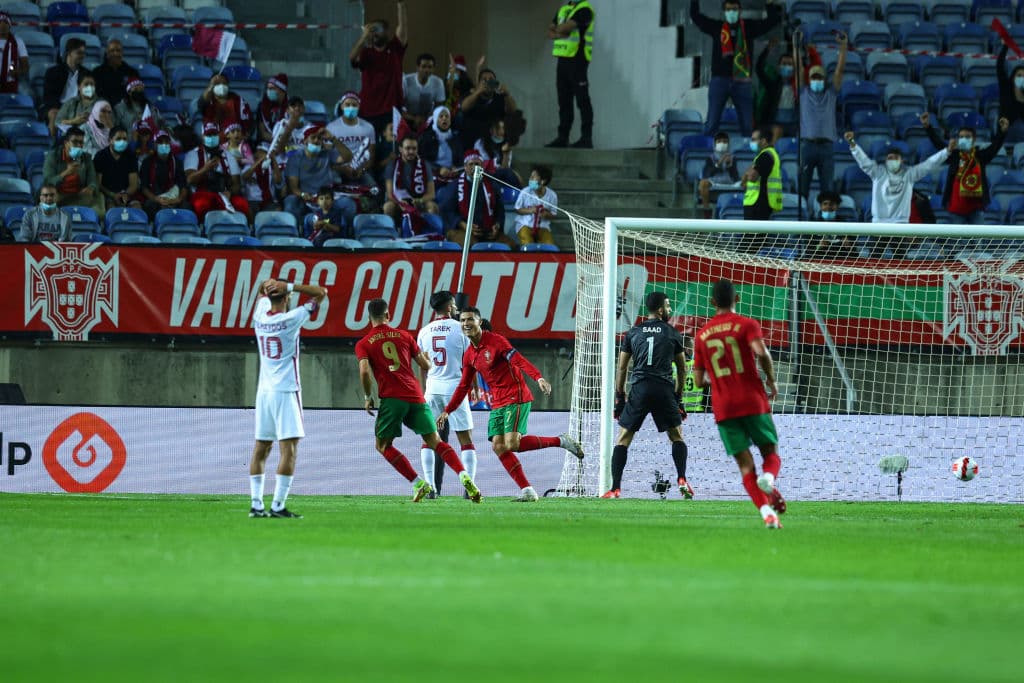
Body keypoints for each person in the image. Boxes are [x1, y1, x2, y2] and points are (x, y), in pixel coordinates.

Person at [437, 306, 584, 502]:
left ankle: (561, 441)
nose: (466, 324)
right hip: (498, 402)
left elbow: (519, 360)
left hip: (516, 395)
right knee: (499, 446)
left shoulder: (496, 342)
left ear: (479, 322)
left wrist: (538, 377)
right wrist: (448, 411)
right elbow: (463, 385)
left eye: (470, 319)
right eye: (462, 320)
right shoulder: (470, 354)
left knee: (512, 444)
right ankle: (527, 490)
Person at [357, 298, 483, 502]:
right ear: (388, 315)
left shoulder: (364, 343)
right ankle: (464, 475)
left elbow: (364, 371)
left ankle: (420, 483)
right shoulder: (405, 336)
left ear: (369, 318)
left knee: (383, 445)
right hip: (417, 396)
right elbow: (425, 364)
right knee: (436, 440)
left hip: (395, 398)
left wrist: (367, 397)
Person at [692, 279, 787, 529]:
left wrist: (720, 375)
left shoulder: (701, 335)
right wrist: (771, 380)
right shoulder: (747, 325)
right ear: (738, 299)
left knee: (745, 466)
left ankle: (767, 513)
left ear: (712, 303)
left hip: (724, 408)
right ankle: (768, 478)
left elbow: (699, 381)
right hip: (753, 400)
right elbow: (762, 352)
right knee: (770, 452)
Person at [249, 278, 327, 518]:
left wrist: (269, 286)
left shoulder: (260, 315)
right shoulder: (291, 319)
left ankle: (256, 505)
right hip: (286, 389)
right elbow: (321, 293)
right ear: (285, 298)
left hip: (264, 391)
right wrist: (290, 286)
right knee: (289, 449)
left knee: (262, 446)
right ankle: (278, 506)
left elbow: (262, 287)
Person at [604, 292, 695, 499]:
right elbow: (682, 369)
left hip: (641, 387)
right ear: (661, 309)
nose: (670, 310)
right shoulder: (672, 333)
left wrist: (620, 396)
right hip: (663, 388)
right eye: (669, 306)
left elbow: (622, 368)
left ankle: (615, 488)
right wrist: (678, 397)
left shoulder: (633, 332)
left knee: (624, 438)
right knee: (676, 435)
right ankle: (682, 478)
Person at [416, 291, 478, 498]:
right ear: (450, 307)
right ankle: (469, 489)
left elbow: (422, 363)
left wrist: (425, 387)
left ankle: (430, 487)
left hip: (432, 388)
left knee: (429, 438)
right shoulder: (461, 328)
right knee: (466, 439)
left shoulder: (424, 331)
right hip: (455, 387)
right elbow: (470, 360)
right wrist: (475, 387)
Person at [689, 0, 782, 137]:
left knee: (747, 125)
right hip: (719, 81)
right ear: (724, 11)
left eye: (734, 9)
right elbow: (696, 17)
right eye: (728, 9)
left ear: (740, 11)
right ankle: (707, 154)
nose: (731, 12)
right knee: (712, 123)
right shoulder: (717, 27)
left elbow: (772, 21)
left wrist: (769, 4)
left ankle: (748, 156)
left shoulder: (749, 27)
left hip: (742, 83)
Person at [922, 113, 1009, 225]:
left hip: (976, 209)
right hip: (956, 209)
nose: (964, 139)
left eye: (967, 137)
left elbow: (994, 147)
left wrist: (1002, 132)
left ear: (973, 139)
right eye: (961, 137)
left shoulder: (980, 156)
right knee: (959, 242)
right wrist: (928, 127)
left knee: (978, 241)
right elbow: (938, 144)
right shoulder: (954, 156)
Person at [796, 33, 847, 197]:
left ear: (824, 79)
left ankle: (824, 220)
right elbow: (798, 68)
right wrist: (795, 46)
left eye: (819, 77)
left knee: (828, 190)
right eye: (813, 77)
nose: (816, 79)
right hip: (807, 146)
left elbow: (839, 71)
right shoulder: (803, 92)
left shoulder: (830, 94)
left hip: (826, 147)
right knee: (802, 189)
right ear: (809, 79)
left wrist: (843, 47)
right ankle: (802, 221)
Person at [349, 1, 408, 134]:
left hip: (391, 110)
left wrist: (401, 5)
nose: (375, 33)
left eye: (378, 29)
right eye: (372, 29)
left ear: (387, 32)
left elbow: (402, 28)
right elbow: (352, 58)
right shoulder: (366, 52)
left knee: (390, 148)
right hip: (368, 110)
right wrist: (364, 37)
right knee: (370, 149)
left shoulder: (395, 49)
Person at [283, 125, 355, 225]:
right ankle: (298, 235)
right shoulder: (296, 157)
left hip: (327, 199)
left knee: (348, 204)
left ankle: (343, 233)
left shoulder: (327, 153)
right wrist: (303, 195)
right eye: (313, 137)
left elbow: (348, 157)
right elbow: (293, 188)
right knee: (290, 202)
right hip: (306, 200)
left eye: (320, 138)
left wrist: (332, 139)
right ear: (305, 141)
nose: (317, 140)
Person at [547, 1, 595, 148]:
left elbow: (563, 27)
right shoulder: (563, 9)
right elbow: (549, 32)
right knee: (564, 101)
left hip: (578, 60)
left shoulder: (585, 9)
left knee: (582, 100)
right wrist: (560, 31)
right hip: (562, 60)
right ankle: (563, 137)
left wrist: (560, 30)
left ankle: (586, 138)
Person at [185, 121, 250, 221]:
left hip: (223, 193)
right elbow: (189, 180)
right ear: (203, 136)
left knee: (242, 204)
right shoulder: (193, 154)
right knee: (202, 204)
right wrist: (205, 169)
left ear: (219, 135)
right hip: (203, 192)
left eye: (214, 134)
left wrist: (230, 192)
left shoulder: (229, 156)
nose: (211, 137)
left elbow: (236, 184)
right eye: (208, 135)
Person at [447, 150, 507, 246]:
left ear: (482, 166)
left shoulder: (492, 184)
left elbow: (500, 211)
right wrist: (465, 226)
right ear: (465, 167)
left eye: (477, 164)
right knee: (471, 244)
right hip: (462, 230)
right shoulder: (455, 186)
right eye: (471, 164)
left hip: (488, 232)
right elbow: (448, 212)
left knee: (509, 245)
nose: (474, 167)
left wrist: (497, 225)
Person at [383, 135, 439, 228]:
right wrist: (400, 203)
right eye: (408, 148)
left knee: (432, 207)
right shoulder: (392, 165)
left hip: (418, 201)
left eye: (414, 148)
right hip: (398, 202)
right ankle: (391, 234)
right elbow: (389, 194)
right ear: (401, 149)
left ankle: (430, 235)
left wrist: (419, 200)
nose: (411, 152)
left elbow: (431, 194)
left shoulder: (425, 165)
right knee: (388, 207)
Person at [43, 127, 104, 213]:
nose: (79, 146)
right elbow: (48, 182)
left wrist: (91, 188)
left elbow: (92, 179)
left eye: (81, 143)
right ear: (66, 143)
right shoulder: (53, 157)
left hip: (79, 194)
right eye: (75, 142)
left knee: (99, 209)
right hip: (59, 194)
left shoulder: (86, 157)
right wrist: (66, 172)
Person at [327, 91, 378, 190]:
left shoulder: (368, 127)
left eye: (354, 105)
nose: (351, 107)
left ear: (359, 107)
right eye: (347, 104)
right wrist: (342, 169)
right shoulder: (331, 127)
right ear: (341, 106)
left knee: (373, 190)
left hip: (360, 169)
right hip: (338, 169)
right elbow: (327, 157)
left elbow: (371, 156)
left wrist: (361, 169)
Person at [460, 68, 519, 150]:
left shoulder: (500, 98)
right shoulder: (470, 95)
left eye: (491, 80)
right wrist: (477, 92)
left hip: (494, 145)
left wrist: (507, 95)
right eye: (484, 80)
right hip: (471, 143)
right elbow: (464, 108)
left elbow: (512, 111)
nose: (487, 82)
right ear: (479, 83)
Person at [139, 130, 189, 219]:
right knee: (149, 206)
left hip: (173, 197)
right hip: (155, 198)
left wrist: (179, 199)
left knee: (186, 206)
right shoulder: (147, 162)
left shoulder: (177, 162)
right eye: (160, 142)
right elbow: (144, 188)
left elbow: (183, 186)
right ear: (154, 145)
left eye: (166, 142)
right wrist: (156, 199)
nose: (164, 144)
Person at [42, 38, 87, 136]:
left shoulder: (86, 73)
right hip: (57, 107)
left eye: (83, 53)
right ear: (69, 53)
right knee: (54, 114)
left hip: (78, 108)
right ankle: (53, 146)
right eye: (79, 53)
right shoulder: (53, 72)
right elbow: (49, 98)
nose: (82, 56)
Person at [755, 40, 797, 143]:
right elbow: (759, 69)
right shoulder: (773, 84)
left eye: (789, 64)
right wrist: (767, 50)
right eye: (784, 64)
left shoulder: (799, 85)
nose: (787, 66)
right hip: (776, 124)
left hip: (794, 124)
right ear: (779, 66)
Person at [94, 125, 140, 209]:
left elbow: (133, 184)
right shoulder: (100, 156)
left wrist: (125, 194)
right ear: (110, 140)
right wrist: (113, 195)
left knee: (137, 209)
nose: (122, 142)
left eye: (125, 139)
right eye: (118, 139)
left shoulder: (131, 156)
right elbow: (98, 184)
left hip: (126, 195)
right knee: (112, 210)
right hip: (107, 195)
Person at [742, 126, 781, 225]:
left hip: (758, 203)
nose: (752, 142)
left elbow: (752, 177)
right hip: (763, 202)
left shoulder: (765, 156)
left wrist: (747, 173)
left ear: (763, 141)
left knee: (752, 238)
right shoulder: (772, 154)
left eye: (754, 140)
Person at [513, 164, 559, 246]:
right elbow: (517, 209)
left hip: (543, 226)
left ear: (542, 181)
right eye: (530, 177)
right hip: (525, 224)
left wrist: (546, 214)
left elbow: (554, 214)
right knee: (528, 245)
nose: (530, 180)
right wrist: (530, 210)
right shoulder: (525, 191)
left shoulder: (552, 195)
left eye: (533, 177)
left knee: (549, 246)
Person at [698, 132, 740, 217]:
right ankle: (706, 211)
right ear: (715, 144)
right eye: (719, 141)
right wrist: (719, 164)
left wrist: (730, 166)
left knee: (746, 182)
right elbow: (708, 174)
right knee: (703, 183)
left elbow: (735, 177)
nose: (722, 144)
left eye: (725, 142)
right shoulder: (710, 158)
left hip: (729, 183)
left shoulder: (732, 157)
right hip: (715, 182)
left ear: (728, 144)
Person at [806, 190, 855, 259]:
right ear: (820, 206)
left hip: (841, 260)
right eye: (825, 204)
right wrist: (818, 247)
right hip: (819, 261)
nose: (828, 207)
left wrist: (849, 245)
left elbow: (854, 252)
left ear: (837, 206)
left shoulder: (845, 225)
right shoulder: (812, 225)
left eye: (832, 204)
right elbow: (808, 251)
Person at [403, 53, 445, 129]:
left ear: (433, 69)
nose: (427, 70)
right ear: (417, 67)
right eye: (423, 66)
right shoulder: (406, 80)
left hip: (428, 119)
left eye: (430, 67)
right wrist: (414, 118)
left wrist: (426, 119)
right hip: (408, 118)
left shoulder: (438, 82)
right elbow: (398, 107)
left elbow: (439, 108)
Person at [92, 38, 139, 106]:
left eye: (118, 50)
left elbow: (137, 95)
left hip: (126, 110)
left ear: (122, 53)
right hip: (104, 110)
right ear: (107, 53)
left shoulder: (132, 72)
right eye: (112, 51)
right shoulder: (97, 73)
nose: (115, 53)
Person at [269, 96, 314, 166]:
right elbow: (278, 150)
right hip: (283, 165)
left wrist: (291, 149)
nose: (297, 108)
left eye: (300, 106)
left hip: (304, 165)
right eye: (293, 106)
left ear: (304, 109)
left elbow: (313, 151)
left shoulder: (311, 127)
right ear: (287, 110)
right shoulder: (280, 125)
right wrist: (289, 128)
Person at [996, 42, 1024, 143]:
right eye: (1019, 75)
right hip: (1004, 139)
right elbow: (999, 67)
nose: (1022, 78)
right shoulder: (1006, 90)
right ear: (1013, 77)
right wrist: (1005, 47)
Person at [0, 13, 28, 95]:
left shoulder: (18, 42)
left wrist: (16, 71)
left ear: (9, 25)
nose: (2, 26)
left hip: (11, 80)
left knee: (28, 94)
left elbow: (25, 66)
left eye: (5, 23)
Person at [256, 73, 288, 144]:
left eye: (272, 88)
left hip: (286, 143)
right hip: (267, 143)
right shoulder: (263, 106)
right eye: (268, 88)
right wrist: (277, 142)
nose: (269, 91)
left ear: (282, 90)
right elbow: (263, 134)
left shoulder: (291, 107)